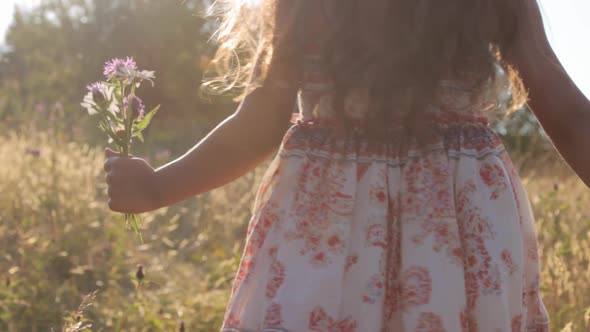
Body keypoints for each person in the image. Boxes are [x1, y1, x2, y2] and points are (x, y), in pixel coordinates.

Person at [103, 0, 590, 330]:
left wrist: (157, 188)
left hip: (341, 222)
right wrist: (156, 188)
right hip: (444, 221)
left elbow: (258, 124)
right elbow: (568, 116)